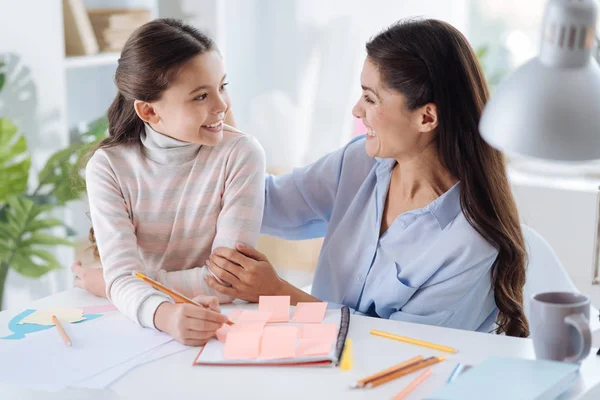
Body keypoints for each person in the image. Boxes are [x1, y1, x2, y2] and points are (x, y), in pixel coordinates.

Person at [75, 18, 529, 337]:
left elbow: (401, 347)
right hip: (311, 357)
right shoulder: (360, 163)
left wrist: (278, 292)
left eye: (370, 98)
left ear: (426, 117)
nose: (356, 111)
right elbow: (260, 199)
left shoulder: (469, 241)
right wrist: (199, 146)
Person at [76, 18, 266, 346]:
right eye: (200, 96)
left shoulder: (241, 154)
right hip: (144, 330)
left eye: (222, 86)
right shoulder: (108, 167)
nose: (222, 106)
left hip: (223, 328)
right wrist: (165, 315)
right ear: (149, 111)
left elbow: (227, 282)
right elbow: (123, 279)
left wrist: (116, 285)